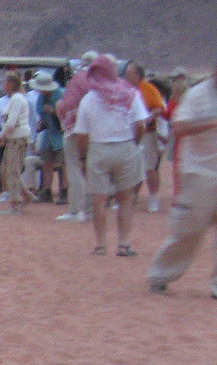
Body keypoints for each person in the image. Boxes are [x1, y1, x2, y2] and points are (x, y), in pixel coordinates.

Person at [148, 59, 217, 296]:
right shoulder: (197, 95)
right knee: (189, 229)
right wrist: (213, 122)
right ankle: (160, 275)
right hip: (200, 172)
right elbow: (179, 128)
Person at [75, 55, 149, 256]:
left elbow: (81, 134)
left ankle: (100, 244)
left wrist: (83, 157)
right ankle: (123, 244)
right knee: (125, 198)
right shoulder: (130, 93)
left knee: (99, 200)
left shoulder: (89, 99)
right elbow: (141, 124)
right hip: (125, 147)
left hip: (98, 149)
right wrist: (134, 143)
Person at [55, 52, 98, 222]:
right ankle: (89, 210)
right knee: (91, 169)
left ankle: (75, 210)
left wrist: (62, 115)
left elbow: (67, 104)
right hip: (97, 131)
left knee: (74, 168)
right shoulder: (102, 81)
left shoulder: (78, 79)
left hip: (75, 130)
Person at [124, 62, 166, 213]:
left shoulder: (149, 89)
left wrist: (147, 118)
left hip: (148, 133)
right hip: (128, 134)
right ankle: (129, 197)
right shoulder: (124, 89)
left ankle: (153, 198)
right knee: (129, 167)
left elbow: (159, 108)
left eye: (130, 73)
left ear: (138, 75)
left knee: (149, 167)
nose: (127, 76)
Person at [0, 71, 32, 209]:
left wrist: (1, 136)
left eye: (5, 82)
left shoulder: (17, 99)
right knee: (8, 168)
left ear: (10, 84)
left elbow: (11, 122)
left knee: (12, 170)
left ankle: (15, 203)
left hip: (18, 138)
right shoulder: (15, 98)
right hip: (15, 137)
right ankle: (25, 195)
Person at [29, 69, 64, 202]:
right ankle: (47, 190)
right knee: (47, 163)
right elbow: (40, 114)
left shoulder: (60, 95)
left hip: (60, 134)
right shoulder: (41, 98)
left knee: (63, 164)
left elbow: (66, 115)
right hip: (48, 134)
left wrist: (54, 112)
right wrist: (42, 123)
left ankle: (64, 191)